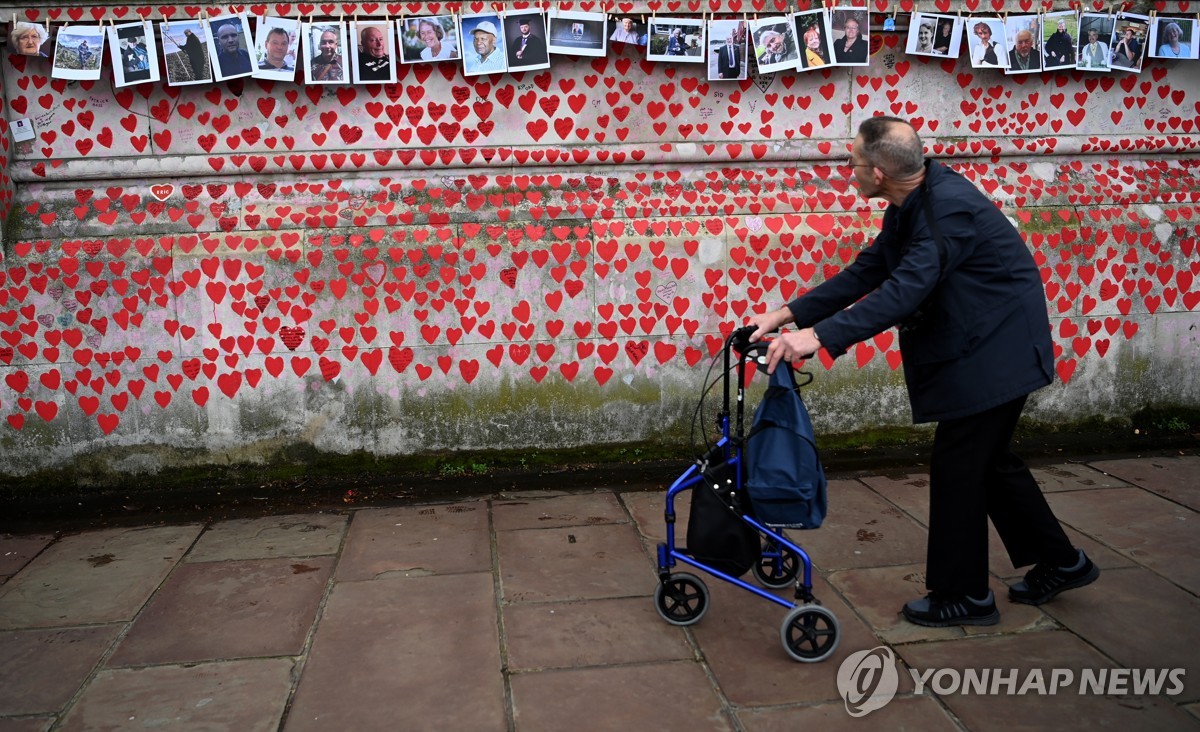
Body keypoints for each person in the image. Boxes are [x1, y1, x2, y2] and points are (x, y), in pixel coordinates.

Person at [748, 116, 1099, 628]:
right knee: (990, 463)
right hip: (988, 342)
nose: (848, 168)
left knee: (960, 467)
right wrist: (789, 314)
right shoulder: (911, 201)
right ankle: (1063, 563)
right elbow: (872, 268)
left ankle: (965, 597)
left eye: (853, 162)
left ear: (880, 172)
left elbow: (904, 290)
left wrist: (817, 338)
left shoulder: (947, 209)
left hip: (998, 350)